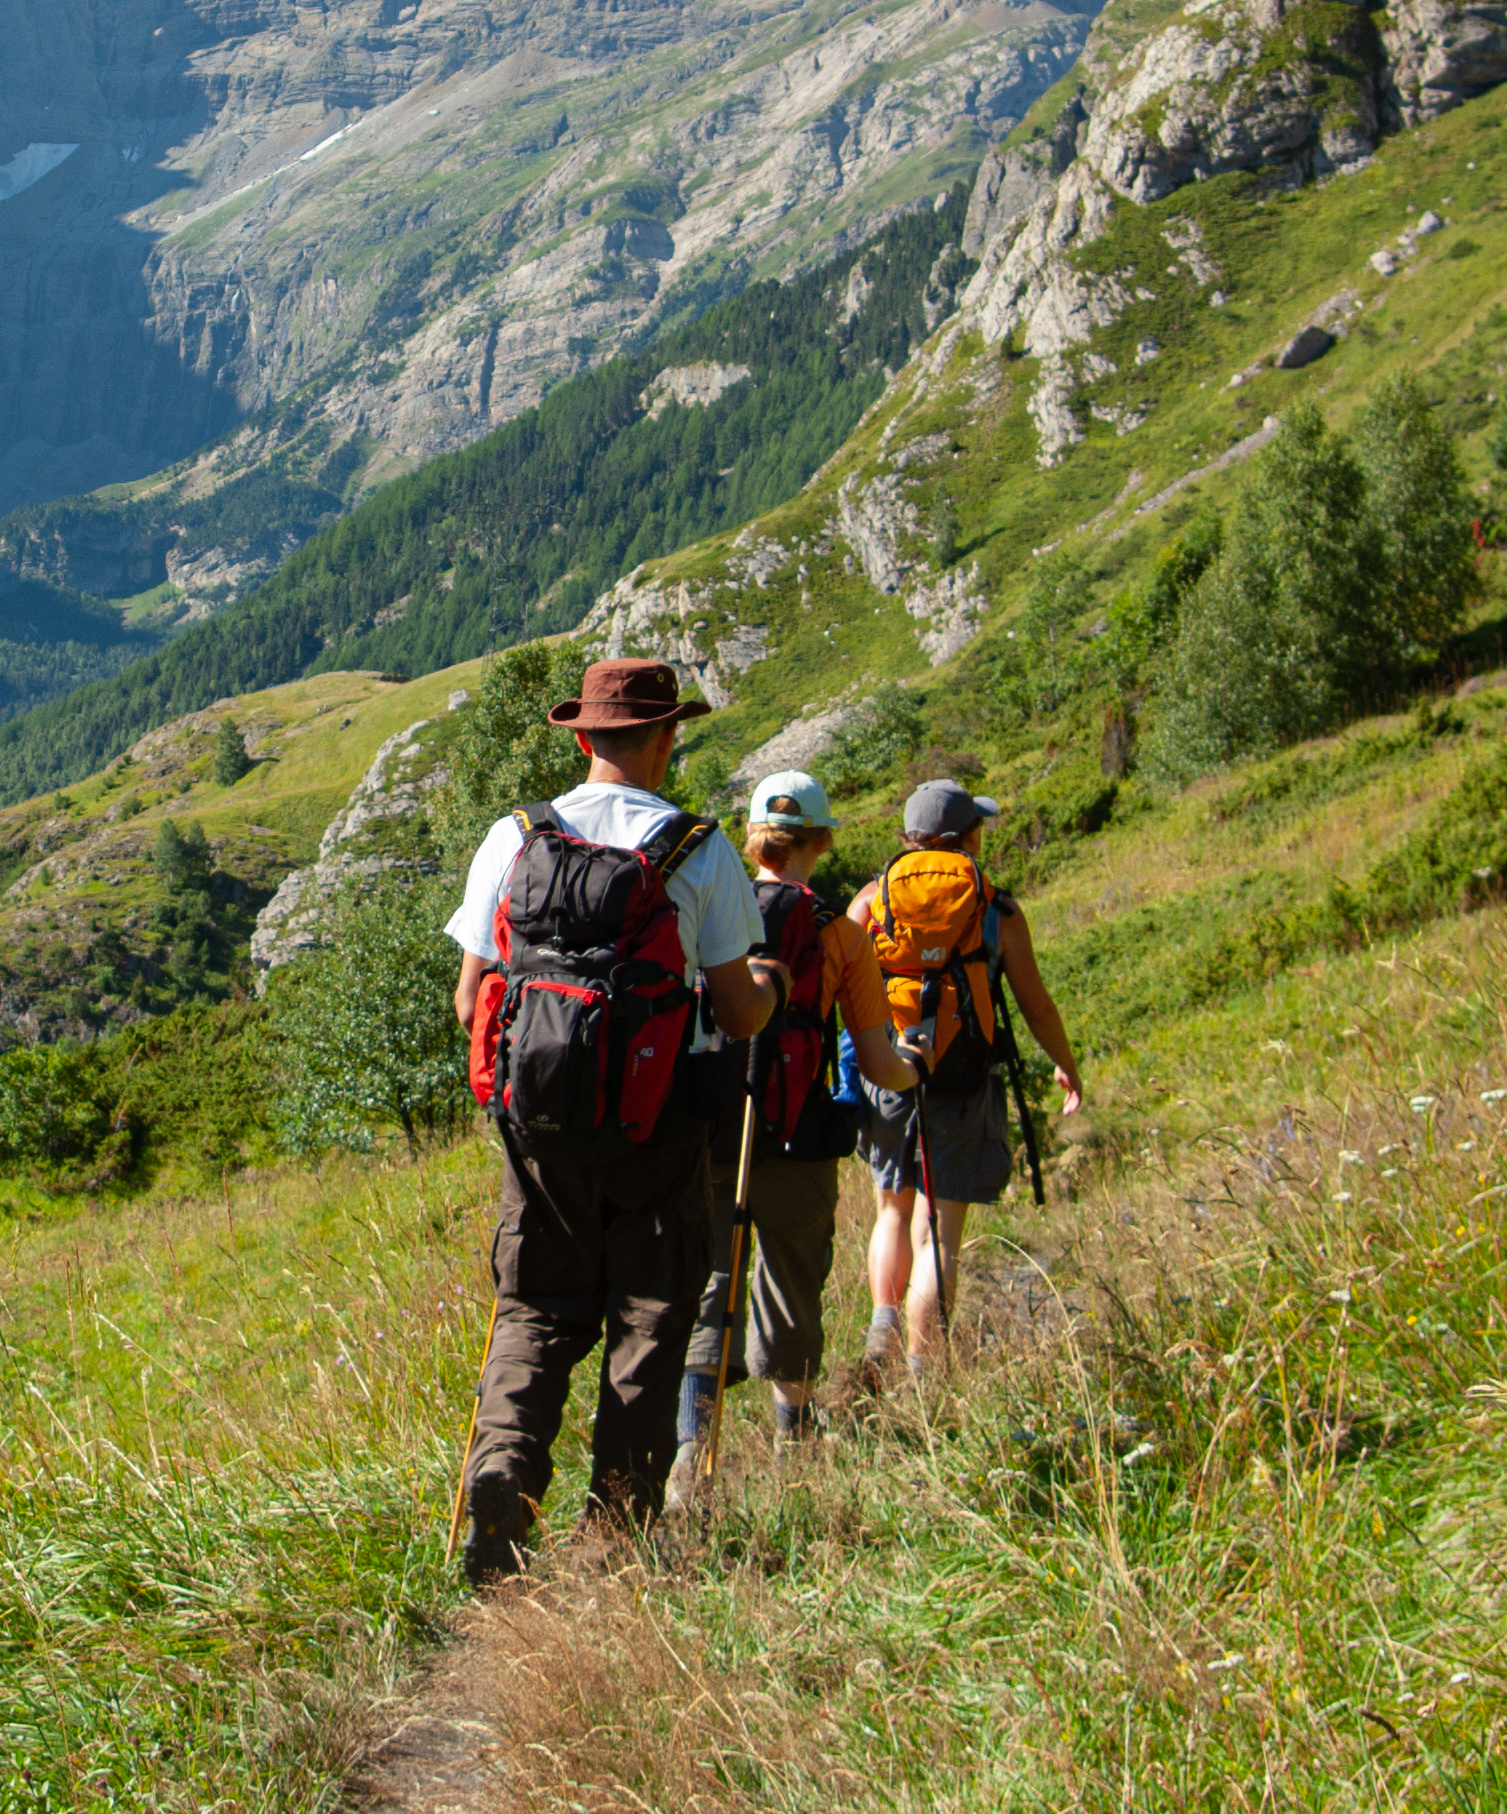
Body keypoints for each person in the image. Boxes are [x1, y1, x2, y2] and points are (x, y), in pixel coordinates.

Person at [445, 657, 774, 1586]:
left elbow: (472, 1000)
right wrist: (770, 986)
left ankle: (503, 1466)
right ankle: (616, 1539)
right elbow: (737, 1012)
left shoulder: (512, 839)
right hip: (659, 1128)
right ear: (667, 739)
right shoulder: (696, 850)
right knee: (651, 1314)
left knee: (536, 1308)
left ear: (583, 739)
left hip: (537, 1134)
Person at [672, 769, 920, 1477]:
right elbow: (877, 1063)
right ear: (821, 839)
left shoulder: (708, 913)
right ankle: (794, 1449)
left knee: (710, 1284)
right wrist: (916, 1067)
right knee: (792, 1283)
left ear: (752, 839)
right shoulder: (840, 932)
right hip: (799, 1133)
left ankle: (693, 1456)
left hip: (712, 1125)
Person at [851, 780, 1084, 1383]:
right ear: (969, 838)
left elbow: (841, 996)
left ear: (908, 838)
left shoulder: (871, 902)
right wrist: (1065, 1062)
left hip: (890, 1069)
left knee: (892, 1210)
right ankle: (927, 1372)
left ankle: (882, 1335)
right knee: (942, 1233)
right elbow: (1034, 1004)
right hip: (963, 1073)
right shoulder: (995, 909)